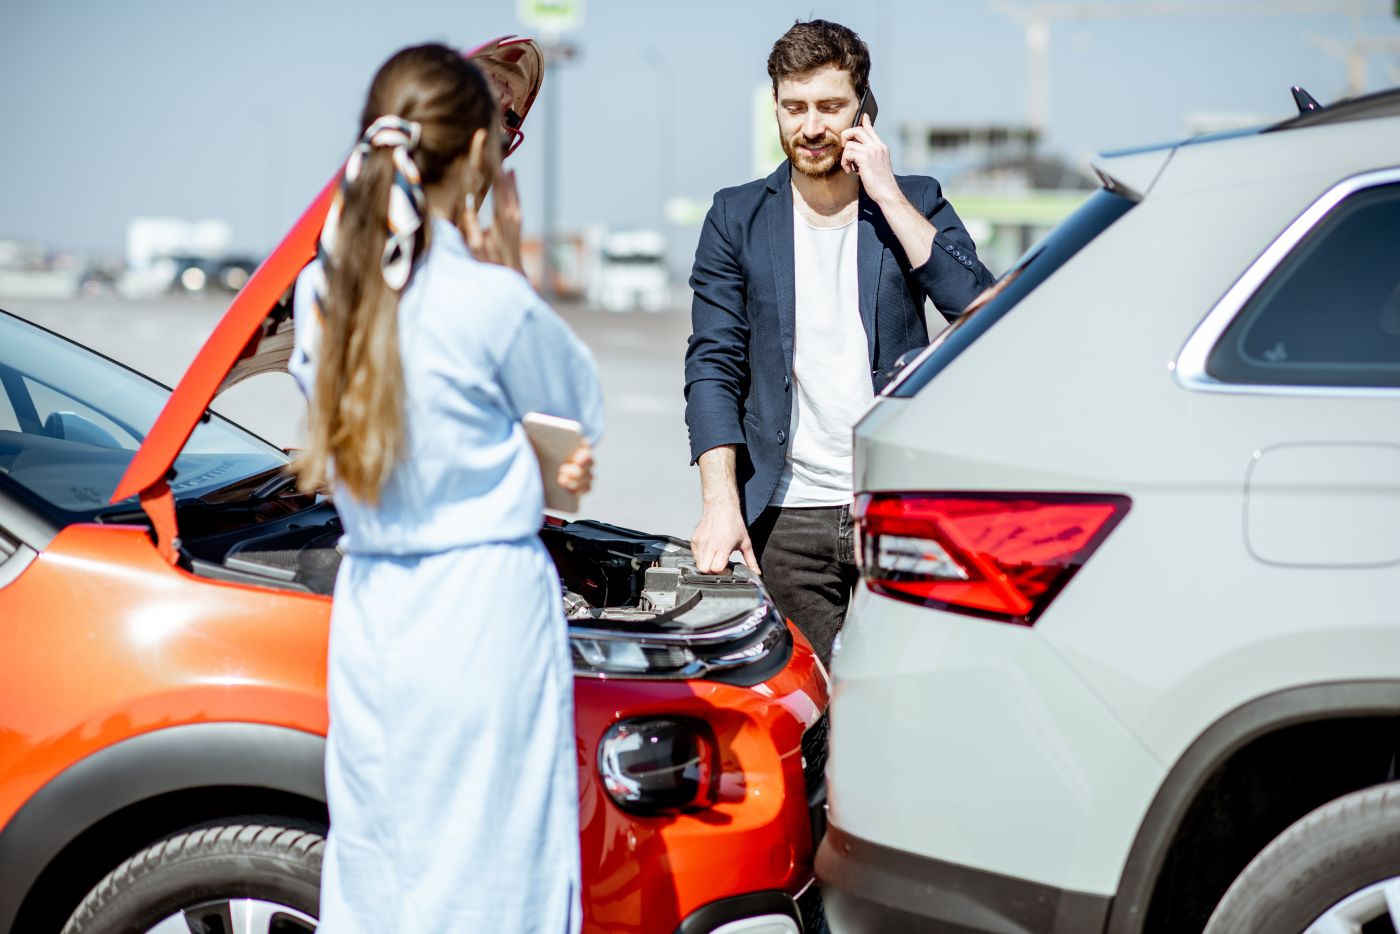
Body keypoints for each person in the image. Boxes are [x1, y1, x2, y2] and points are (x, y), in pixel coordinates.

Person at [288, 43, 602, 932]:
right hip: (482, 610)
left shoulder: (322, 295)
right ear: (476, 156)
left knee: (381, 854)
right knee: (497, 865)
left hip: (375, 608)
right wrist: (499, 253)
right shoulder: (487, 301)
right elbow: (578, 408)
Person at [684, 19, 994, 665]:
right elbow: (714, 363)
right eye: (794, 108)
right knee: (812, 712)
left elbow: (977, 309)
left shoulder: (916, 202)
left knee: (905, 695)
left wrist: (884, 189)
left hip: (892, 505)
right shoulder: (735, 216)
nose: (812, 126)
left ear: (863, 111)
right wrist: (719, 504)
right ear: (775, 107)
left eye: (830, 106)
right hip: (785, 514)